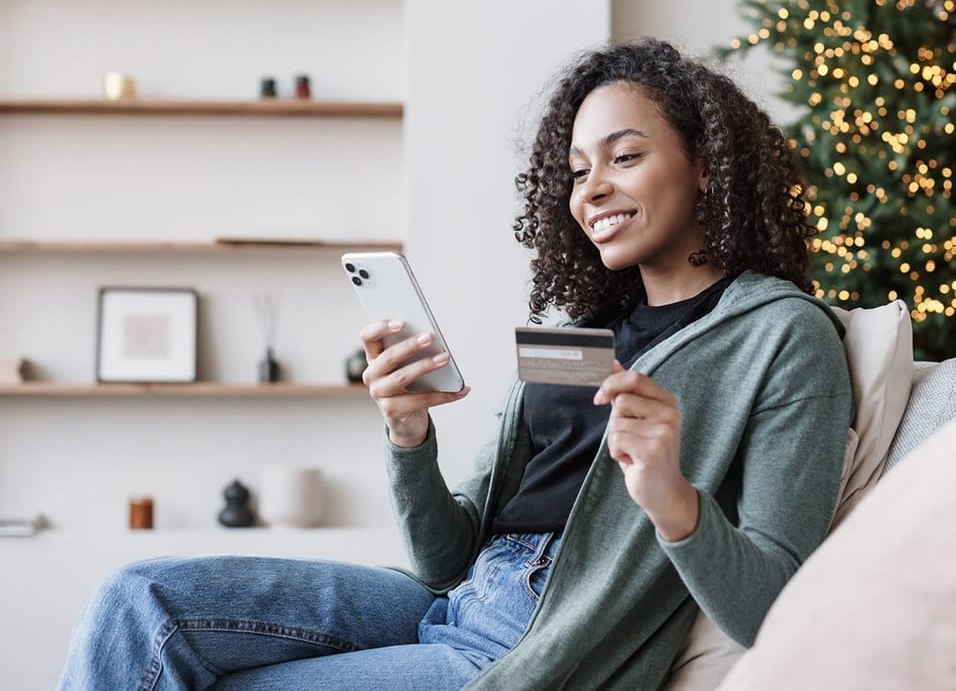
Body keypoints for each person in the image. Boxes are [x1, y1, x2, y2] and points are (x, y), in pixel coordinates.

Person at [58, 38, 854, 690]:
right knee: (139, 602)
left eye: (625, 157)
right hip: (457, 598)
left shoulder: (782, 334)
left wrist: (672, 499)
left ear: (707, 164)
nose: (593, 190)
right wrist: (408, 437)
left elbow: (771, 609)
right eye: (578, 171)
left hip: (534, 640)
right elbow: (444, 558)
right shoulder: (580, 331)